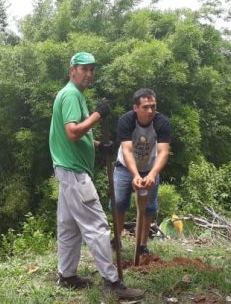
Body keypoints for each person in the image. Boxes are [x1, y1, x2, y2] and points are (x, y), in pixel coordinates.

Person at [49, 52, 144, 301]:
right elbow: (72, 132)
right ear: (72, 70)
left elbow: (79, 136)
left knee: (69, 227)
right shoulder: (71, 94)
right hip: (74, 172)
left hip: (67, 169)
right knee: (98, 226)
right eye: (84, 69)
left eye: (92, 70)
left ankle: (67, 275)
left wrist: (98, 144)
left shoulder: (71, 94)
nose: (89, 74)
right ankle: (113, 283)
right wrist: (98, 115)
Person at [112, 88, 171, 255]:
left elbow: (163, 152)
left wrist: (152, 174)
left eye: (153, 106)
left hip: (150, 168)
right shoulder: (126, 121)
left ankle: (142, 245)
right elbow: (127, 151)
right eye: (145, 107)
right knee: (119, 204)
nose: (150, 111)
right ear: (135, 108)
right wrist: (135, 175)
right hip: (124, 167)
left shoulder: (162, 122)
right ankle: (116, 239)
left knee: (149, 208)